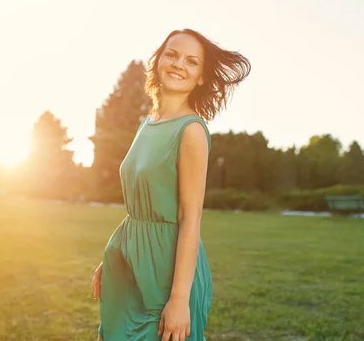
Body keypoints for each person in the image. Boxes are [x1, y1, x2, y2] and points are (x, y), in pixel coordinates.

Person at [91, 28, 250, 340]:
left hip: (167, 272)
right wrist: (113, 257)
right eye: (173, 55)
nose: (179, 64)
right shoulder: (147, 124)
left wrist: (178, 300)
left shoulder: (191, 131)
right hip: (128, 262)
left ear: (201, 77)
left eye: (192, 62)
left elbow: (190, 218)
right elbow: (140, 206)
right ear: (158, 60)